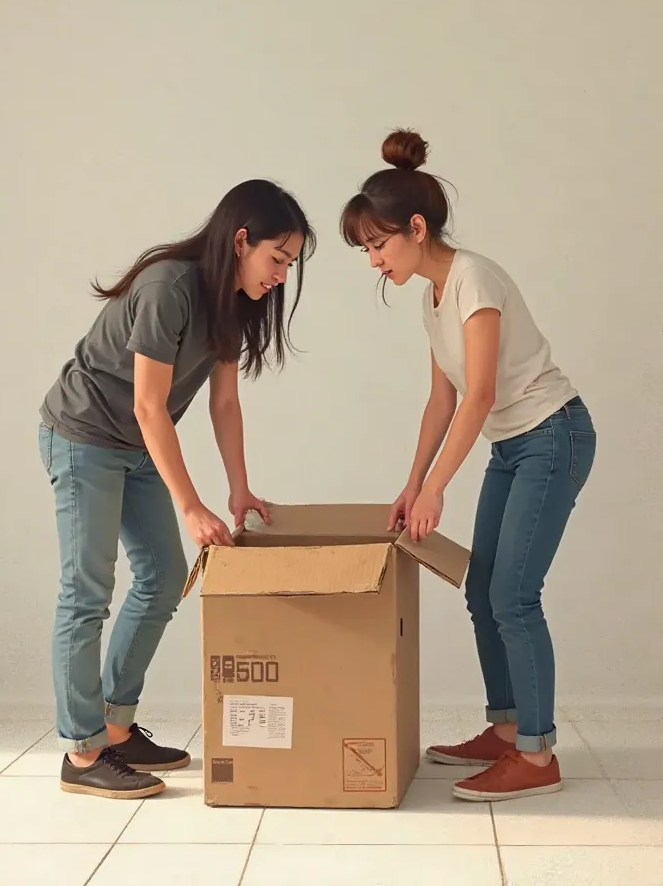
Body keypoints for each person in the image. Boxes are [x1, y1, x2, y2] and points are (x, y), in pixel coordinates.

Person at [340, 130, 596, 802]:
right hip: (512, 446)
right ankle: (508, 730)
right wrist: (411, 482)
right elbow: (441, 399)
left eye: (378, 244)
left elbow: (480, 393)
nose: (373, 261)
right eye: (366, 249)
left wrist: (437, 489)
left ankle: (537, 758)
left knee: (513, 595)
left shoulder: (474, 278)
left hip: (553, 434)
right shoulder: (430, 297)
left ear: (416, 229)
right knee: (482, 590)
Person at [38, 179, 315, 800]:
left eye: (290, 264)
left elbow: (224, 402)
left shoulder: (231, 300)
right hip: (85, 437)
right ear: (241, 240)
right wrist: (190, 504)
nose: (280, 275)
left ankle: (115, 724)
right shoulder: (169, 286)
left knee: (164, 578)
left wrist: (238, 490)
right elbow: (148, 404)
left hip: (135, 447)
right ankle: (82, 754)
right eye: (277, 258)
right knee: (86, 592)